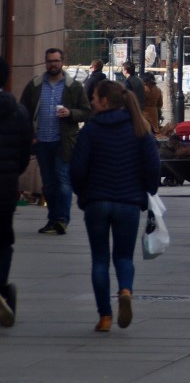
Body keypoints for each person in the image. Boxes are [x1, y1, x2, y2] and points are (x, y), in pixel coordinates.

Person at [70, 80, 159, 332]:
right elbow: (153, 166)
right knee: (123, 256)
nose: (92, 102)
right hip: (128, 203)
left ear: (105, 101)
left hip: (97, 202)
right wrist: (147, 194)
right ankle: (126, 291)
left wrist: (83, 195)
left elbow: (76, 169)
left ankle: (105, 317)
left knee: (100, 260)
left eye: (95, 98)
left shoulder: (90, 130)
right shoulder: (140, 127)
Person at [20, 47, 91, 235]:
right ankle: (53, 219)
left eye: (56, 61)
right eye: (50, 61)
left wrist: (71, 113)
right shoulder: (35, 85)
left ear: (62, 62)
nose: (53, 64)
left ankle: (61, 220)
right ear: (46, 63)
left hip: (63, 142)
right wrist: (30, 136)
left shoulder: (73, 86)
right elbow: (23, 111)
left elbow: (87, 111)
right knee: (49, 183)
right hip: (41, 141)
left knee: (63, 180)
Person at [0, 56, 32, 326]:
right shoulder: (18, 111)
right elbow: (25, 153)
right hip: (6, 184)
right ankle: (1, 287)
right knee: (4, 238)